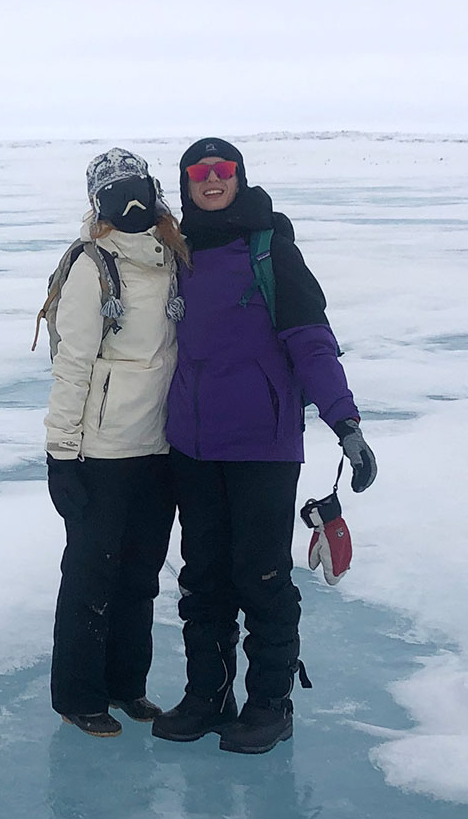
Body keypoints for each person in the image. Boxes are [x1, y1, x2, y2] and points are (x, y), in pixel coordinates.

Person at [152, 136, 377, 754]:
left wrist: (346, 423)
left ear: (239, 177)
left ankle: (270, 705)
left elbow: (311, 341)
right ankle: (208, 696)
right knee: (203, 580)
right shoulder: (177, 253)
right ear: (187, 182)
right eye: (200, 172)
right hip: (193, 448)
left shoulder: (271, 250)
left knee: (262, 577)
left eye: (223, 170)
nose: (212, 179)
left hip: (262, 447)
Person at [40, 148, 189, 737]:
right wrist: (60, 458)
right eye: (116, 192)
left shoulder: (172, 257)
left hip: (159, 449)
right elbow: (72, 365)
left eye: (140, 190)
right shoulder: (90, 266)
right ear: (99, 203)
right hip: (101, 454)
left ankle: (128, 686)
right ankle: (79, 694)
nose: (132, 203)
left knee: (141, 575)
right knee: (91, 575)